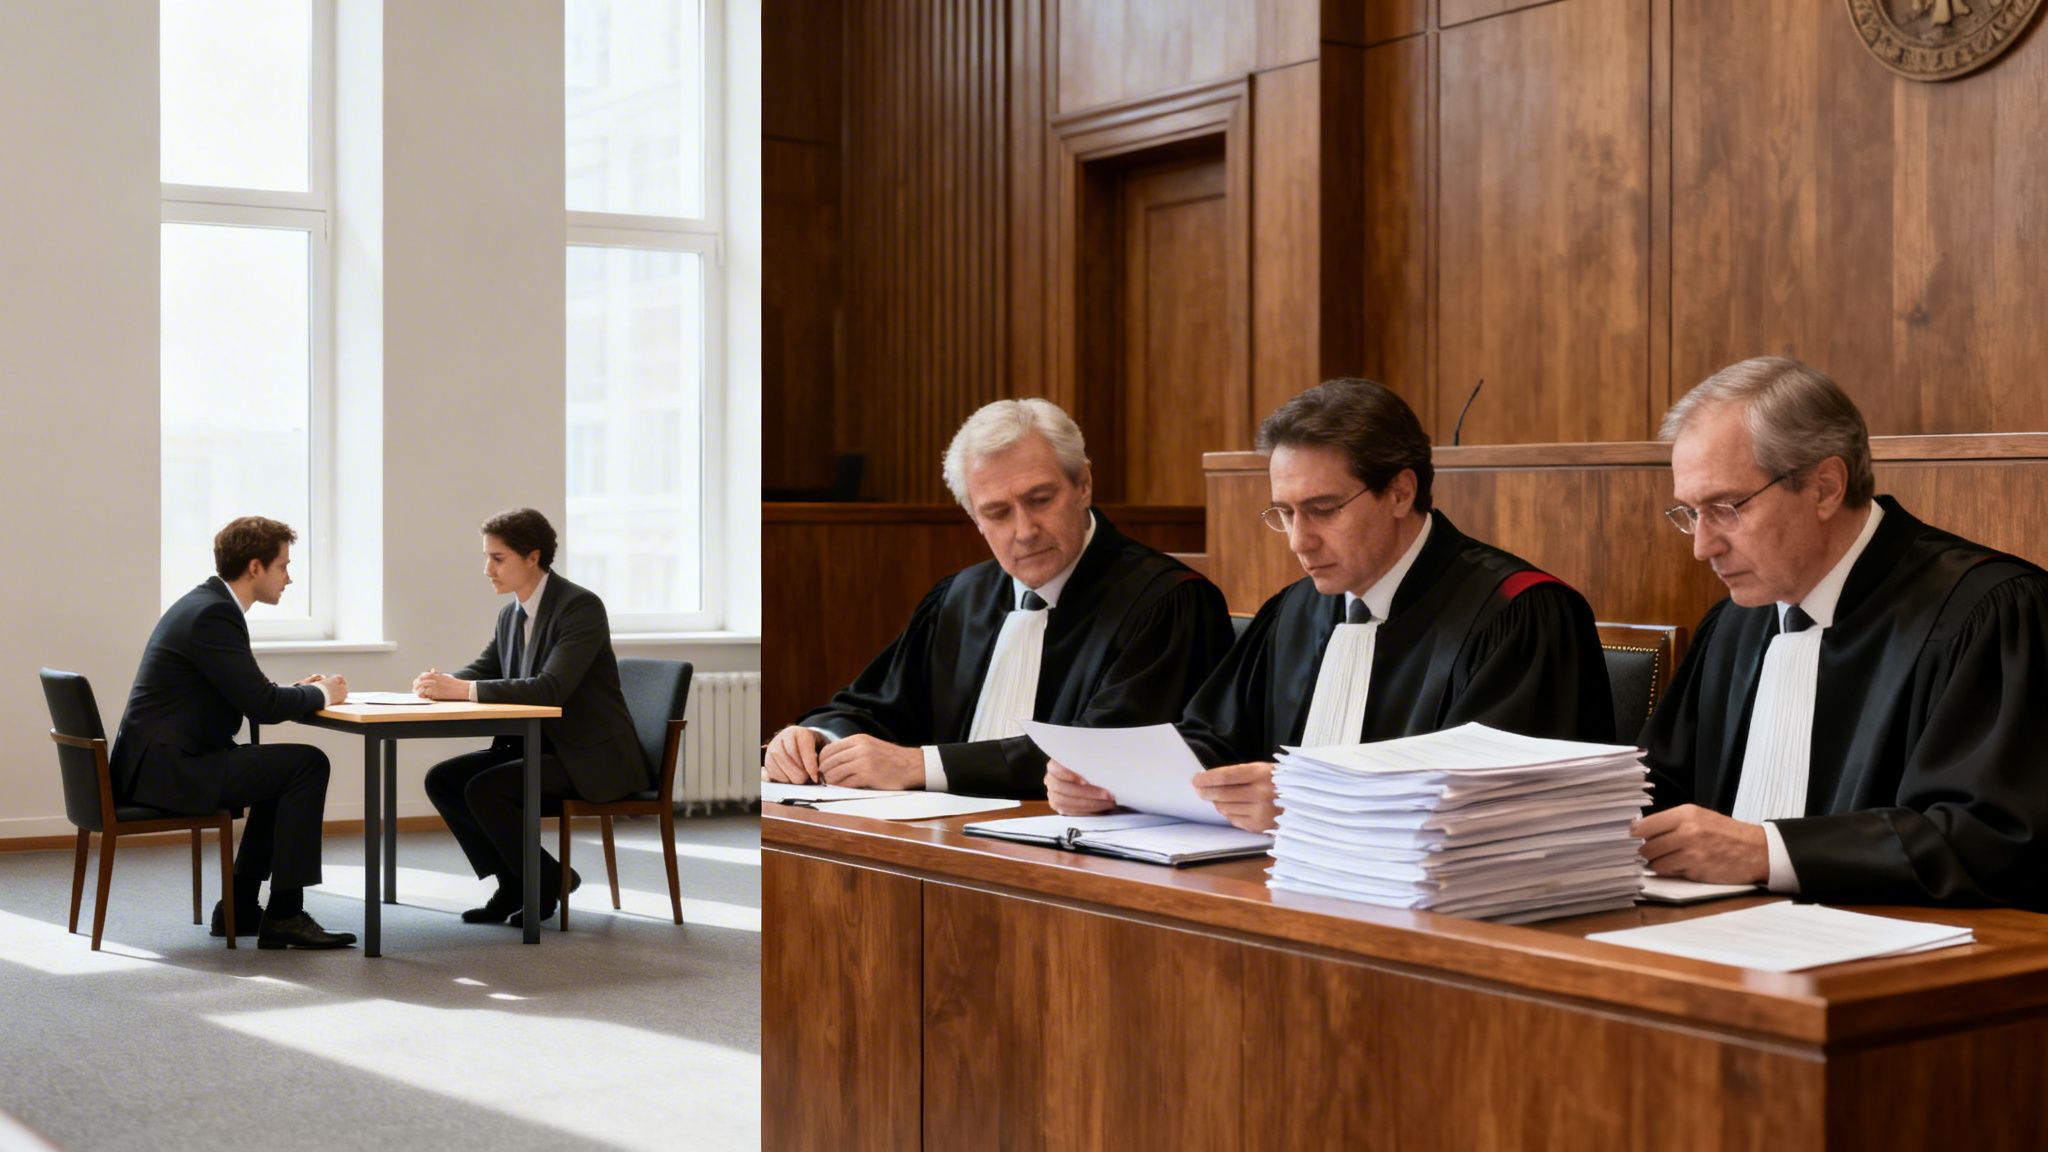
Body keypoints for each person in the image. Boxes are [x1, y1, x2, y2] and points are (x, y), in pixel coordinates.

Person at [1048, 378, 1613, 832]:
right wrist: (1109, 781)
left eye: (1322, 509)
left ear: (1400, 491)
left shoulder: (1520, 614)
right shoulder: (1293, 611)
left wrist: (1308, 803)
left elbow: (1498, 807)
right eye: (1285, 513)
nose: (1299, 541)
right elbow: (1213, 740)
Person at [1634, 357, 2048, 908]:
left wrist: (1768, 852)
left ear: (1826, 487)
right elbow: (1661, 786)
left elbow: (1995, 841)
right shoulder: (1735, 623)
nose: (1702, 546)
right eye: (1689, 512)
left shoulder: (1987, 612)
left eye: (1726, 508)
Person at [762, 398, 1235, 798]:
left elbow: (1103, 755)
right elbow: (875, 707)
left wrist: (919, 766)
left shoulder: (1168, 602)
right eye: (997, 512)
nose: (1025, 531)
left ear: (1083, 484)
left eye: (1040, 499)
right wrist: (814, 738)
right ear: (975, 518)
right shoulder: (957, 599)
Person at [112, 516, 356, 949]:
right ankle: (284, 913)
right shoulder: (214, 614)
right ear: (256, 567)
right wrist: (321, 693)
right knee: (306, 763)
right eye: (283, 566)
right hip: (172, 770)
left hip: (163, 762)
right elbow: (261, 703)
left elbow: (247, 692)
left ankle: (241, 908)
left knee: (280, 772)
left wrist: (304, 692)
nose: (290, 577)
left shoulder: (206, 603)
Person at [414, 508, 645, 926]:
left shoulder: (580, 608)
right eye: (487, 557)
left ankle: (541, 886)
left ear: (533, 558)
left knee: (487, 789)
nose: (487, 569)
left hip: (589, 758)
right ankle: (518, 882)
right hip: (537, 747)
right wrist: (439, 683)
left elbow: (550, 688)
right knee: (444, 781)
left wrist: (461, 690)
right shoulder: (511, 614)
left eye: (497, 558)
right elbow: (486, 670)